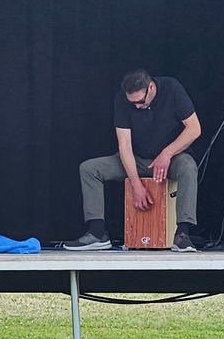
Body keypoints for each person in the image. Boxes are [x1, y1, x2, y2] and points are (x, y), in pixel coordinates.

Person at [65, 69, 202, 252]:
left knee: (188, 166)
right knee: (90, 169)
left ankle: (182, 234)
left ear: (151, 87)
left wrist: (167, 153)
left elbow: (194, 129)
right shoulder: (122, 100)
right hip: (136, 159)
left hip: (171, 159)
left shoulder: (172, 88)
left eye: (140, 102)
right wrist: (136, 185)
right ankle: (97, 233)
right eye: (132, 103)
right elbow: (124, 145)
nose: (136, 106)